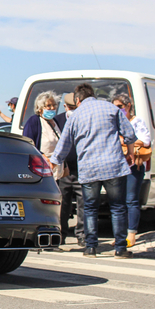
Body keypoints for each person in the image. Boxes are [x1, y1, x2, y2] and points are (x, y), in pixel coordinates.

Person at [50, 84, 137, 259]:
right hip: (113, 166)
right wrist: (130, 153)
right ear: (93, 95)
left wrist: (54, 162)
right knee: (118, 207)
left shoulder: (75, 116)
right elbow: (129, 134)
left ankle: (91, 248)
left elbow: (64, 143)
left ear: (78, 100)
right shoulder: (111, 108)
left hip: (89, 168)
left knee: (90, 207)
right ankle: (120, 248)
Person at [112, 93, 151, 247]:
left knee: (131, 200)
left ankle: (131, 234)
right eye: (114, 107)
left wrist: (124, 139)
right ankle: (120, 235)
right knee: (118, 202)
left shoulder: (137, 122)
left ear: (128, 106)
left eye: (120, 107)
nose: (118, 110)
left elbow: (145, 141)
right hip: (117, 166)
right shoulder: (114, 122)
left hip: (133, 166)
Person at [55, 93, 85, 246]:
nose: (73, 110)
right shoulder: (58, 120)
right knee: (63, 205)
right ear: (65, 107)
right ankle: (61, 235)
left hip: (82, 169)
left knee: (83, 205)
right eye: (71, 108)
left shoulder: (85, 118)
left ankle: (82, 236)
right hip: (65, 170)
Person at [22, 91, 65, 180]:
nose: (52, 108)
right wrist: (43, 156)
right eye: (48, 106)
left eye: (54, 105)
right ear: (40, 108)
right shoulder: (34, 121)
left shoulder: (55, 122)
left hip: (57, 170)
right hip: (42, 169)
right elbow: (28, 144)